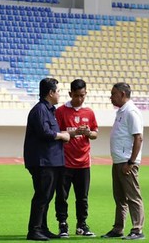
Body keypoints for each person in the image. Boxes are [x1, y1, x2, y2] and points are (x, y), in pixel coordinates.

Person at [24, 78, 70, 241]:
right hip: (43, 161)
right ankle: (34, 230)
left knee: (47, 196)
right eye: (57, 91)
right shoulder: (40, 110)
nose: (59, 94)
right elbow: (45, 132)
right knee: (42, 196)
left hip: (51, 160)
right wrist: (61, 135)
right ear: (50, 93)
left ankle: (42, 228)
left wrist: (63, 135)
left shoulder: (49, 110)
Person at [54, 79, 99, 238]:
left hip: (84, 162)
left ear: (85, 94)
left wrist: (88, 133)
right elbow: (56, 134)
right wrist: (75, 133)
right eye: (76, 95)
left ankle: (82, 225)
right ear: (70, 94)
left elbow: (95, 134)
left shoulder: (89, 112)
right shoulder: (60, 112)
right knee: (62, 196)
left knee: (82, 197)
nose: (79, 99)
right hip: (65, 162)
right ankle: (63, 225)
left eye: (82, 95)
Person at [102, 82, 146, 240]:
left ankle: (137, 229)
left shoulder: (132, 112)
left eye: (113, 94)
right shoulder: (121, 111)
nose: (111, 97)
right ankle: (118, 228)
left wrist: (131, 162)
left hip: (126, 162)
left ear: (122, 94)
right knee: (119, 197)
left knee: (133, 196)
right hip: (118, 161)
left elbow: (138, 138)